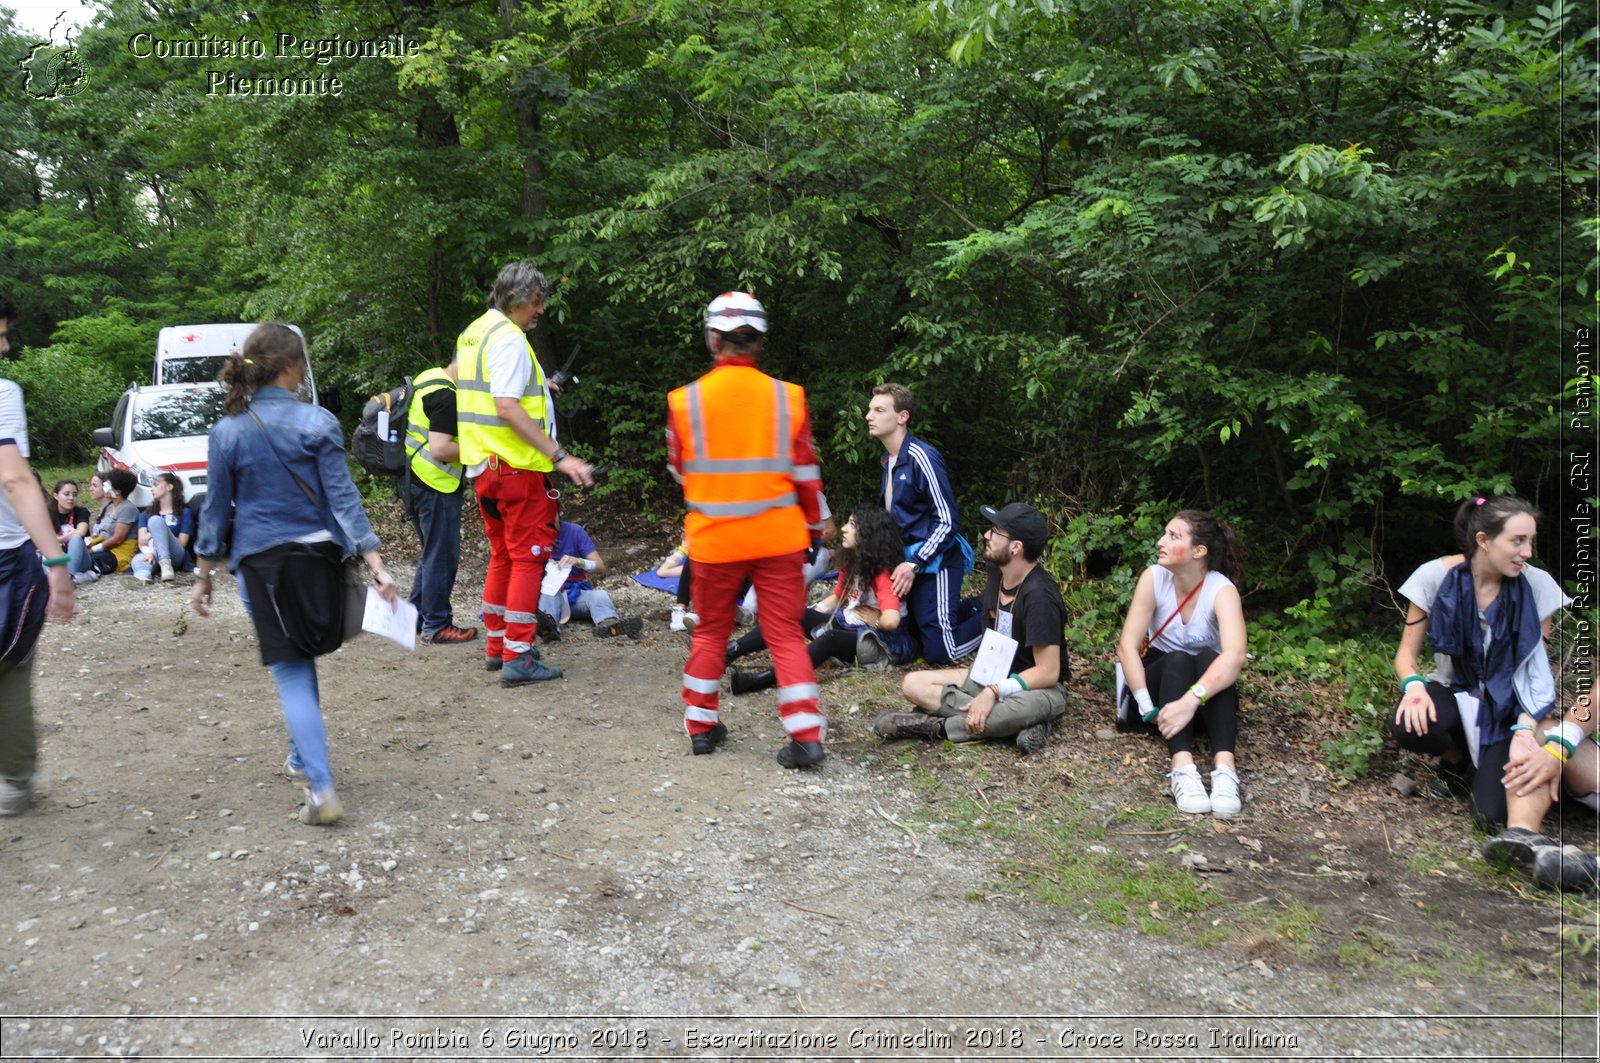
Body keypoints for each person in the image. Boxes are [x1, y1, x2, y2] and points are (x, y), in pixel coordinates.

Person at [190, 323, 400, 826]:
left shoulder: (228, 431)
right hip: (318, 560)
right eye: (303, 362)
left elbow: (215, 511)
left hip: (261, 565)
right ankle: (304, 758)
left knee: (292, 671)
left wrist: (202, 572)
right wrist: (375, 563)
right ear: (290, 366)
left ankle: (322, 788)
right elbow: (343, 500)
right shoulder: (318, 422)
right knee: (301, 661)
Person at [1392, 494, 1597, 893]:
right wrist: (1414, 687)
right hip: (1456, 691)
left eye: (1531, 541)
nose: (1528, 552)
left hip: (1511, 707)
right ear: (1484, 540)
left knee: (1489, 815)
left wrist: (1527, 727)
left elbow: (1533, 672)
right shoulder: (1436, 577)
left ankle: (1523, 824)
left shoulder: (1535, 585)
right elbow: (1406, 654)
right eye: (1518, 541)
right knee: (1409, 722)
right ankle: (1455, 764)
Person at [667, 291, 828, 768]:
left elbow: (680, 471)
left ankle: (701, 726)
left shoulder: (684, 401)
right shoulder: (788, 397)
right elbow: (806, 474)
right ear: (758, 342)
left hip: (715, 541)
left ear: (712, 339)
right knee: (783, 633)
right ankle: (806, 736)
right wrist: (816, 526)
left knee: (712, 632)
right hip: (779, 538)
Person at [456, 262, 595, 684]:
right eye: (539, 304)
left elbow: (489, 390)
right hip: (517, 468)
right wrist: (561, 457)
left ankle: (497, 645)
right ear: (527, 299)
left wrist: (542, 388)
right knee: (528, 559)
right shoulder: (511, 340)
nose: (541, 312)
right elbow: (506, 406)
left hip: (484, 467)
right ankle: (520, 654)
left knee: (502, 556)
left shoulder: (475, 332)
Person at [876, 502, 1067, 754]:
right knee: (912, 684)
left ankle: (937, 728)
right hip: (994, 673)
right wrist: (988, 690)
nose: (987, 535)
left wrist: (994, 692)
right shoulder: (997, 572)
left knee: (1020, 707)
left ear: (1016, 547)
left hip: (1036, 689)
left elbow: (1048, 672)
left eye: (996, 532)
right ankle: (1013, 725)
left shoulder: (1040, 595)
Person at [1113, 509, 1248, 817]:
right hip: (1159, 696)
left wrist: (1190, 701)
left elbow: (1235, 656)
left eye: (1173, 536)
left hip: (1200, 699)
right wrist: (1146, 705)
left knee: (1211, 660)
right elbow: (1127, 647)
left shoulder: (1221, 589)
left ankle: (1225, 770)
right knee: (1177, 659)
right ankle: (1183, 768)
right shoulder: (1154, 578)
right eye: (1165, 533)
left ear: (1199, 551)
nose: (1161, 541)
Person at [0, 293, 76, 815]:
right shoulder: (2, 394)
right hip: (5, 557)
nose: (5, 347)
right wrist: (56, 563)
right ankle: (17, 779)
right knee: (10, 670)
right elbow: (13, 478)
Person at [728, 503, 916, 693]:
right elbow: (837, 598)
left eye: (851, 524)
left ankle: (762, 680)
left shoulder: (882, 573)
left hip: (879, 640)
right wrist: (808, 613)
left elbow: (891, 621)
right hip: (851, 624)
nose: (843, 528)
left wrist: (877, 620)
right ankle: (729, 652)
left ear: (868, 533)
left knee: (830, 638)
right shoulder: (852, 560)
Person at [865, 383, 982, 665]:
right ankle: (971, 606)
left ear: (902, 416)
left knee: (941, 651)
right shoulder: (889, 461)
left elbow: (947, 520)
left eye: (879, 410)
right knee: (914, 634)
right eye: (870, 409)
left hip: (936, 561)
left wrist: (914, 563)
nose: (869, 416)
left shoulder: (922, 456)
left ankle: (991, 614)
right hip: (907, 564)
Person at [404, 355, 477, 645]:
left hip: (414, 479)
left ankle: (415, 618)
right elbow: (441, 448)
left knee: (432, 553)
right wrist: (480, 449)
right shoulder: (447, 395)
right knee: (442, 556)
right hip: (435, 482)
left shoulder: (430, 377)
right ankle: (437, 625)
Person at [537, 519, 644, 639]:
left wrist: (580, 562)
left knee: (600, 595)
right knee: (549, 592)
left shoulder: (575, 531)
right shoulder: (532, 534)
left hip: (574, 593)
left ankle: (608, 624)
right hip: (546, 594)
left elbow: (600, 567)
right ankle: (548, 628)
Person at [67, 469, 139, 584]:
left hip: (116, 553)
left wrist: (93, 549)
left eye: (107, 484)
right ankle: (75, 573)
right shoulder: (110, 507)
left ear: (118, 491)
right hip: (104, 549)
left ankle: (70, 576)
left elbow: (118, 539)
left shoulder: (127, 509)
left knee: (85, 555)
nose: (105, 487)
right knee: (75, 543)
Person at [129, 473, 195, 583]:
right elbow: (141, 541)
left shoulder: (184, 513)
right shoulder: (146, 514)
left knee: (156, 521)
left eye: (155, 485)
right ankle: (142, 578)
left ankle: (166, 565)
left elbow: (182, 543)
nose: (152, 489)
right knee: (138, 559)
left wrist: (158, 532)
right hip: (152, 552)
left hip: (174, 554)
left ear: (169, 487)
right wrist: (148, 552)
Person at [48, 479, 89, 550]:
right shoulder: (47, 514)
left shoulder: (81, 511)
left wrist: (59, 540)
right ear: (56, 496)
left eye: (75, 495)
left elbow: (81, 531)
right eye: (66, 494)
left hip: (80, 554)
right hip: (55, 554)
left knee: (76, 539)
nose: (71, 498)